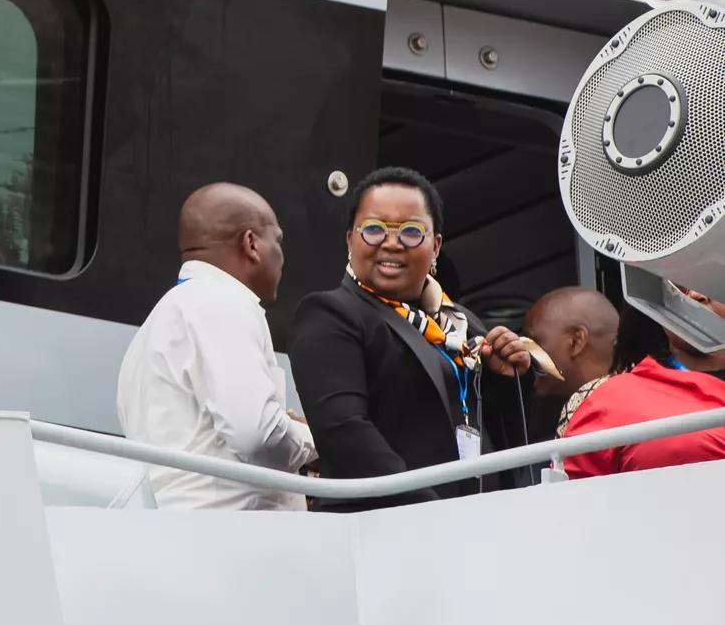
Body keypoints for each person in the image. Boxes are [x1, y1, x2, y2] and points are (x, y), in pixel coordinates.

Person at [288, 166, 540, 509]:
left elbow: (504, 433)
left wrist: (509, 380)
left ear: (435, 245)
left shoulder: (462, 323)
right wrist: (427, 511)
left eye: (411, 231)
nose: (391, 243)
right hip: (388, 523)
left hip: (478, 518)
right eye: (373, 229)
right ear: (349, 239)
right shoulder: (330, 314)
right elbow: (345, 433)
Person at [116, 183, 318, 509]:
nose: (282, 256)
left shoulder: (160, 319)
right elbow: (258, 436)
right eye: (277, 241)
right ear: (251, 244)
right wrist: (318, 439)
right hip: (228, 532)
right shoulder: (224, 303)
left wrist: (286, 426)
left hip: (179, 526)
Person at [561, 283, 725, 478]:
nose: (696, 295)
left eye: (708, 281)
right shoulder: (612, 398)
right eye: (680, 287)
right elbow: (573, 492)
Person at [524, 285, 621, 436]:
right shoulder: (635, 395)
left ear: (576, 341)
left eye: (534, 342)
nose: (525, 352)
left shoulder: (616, 414)